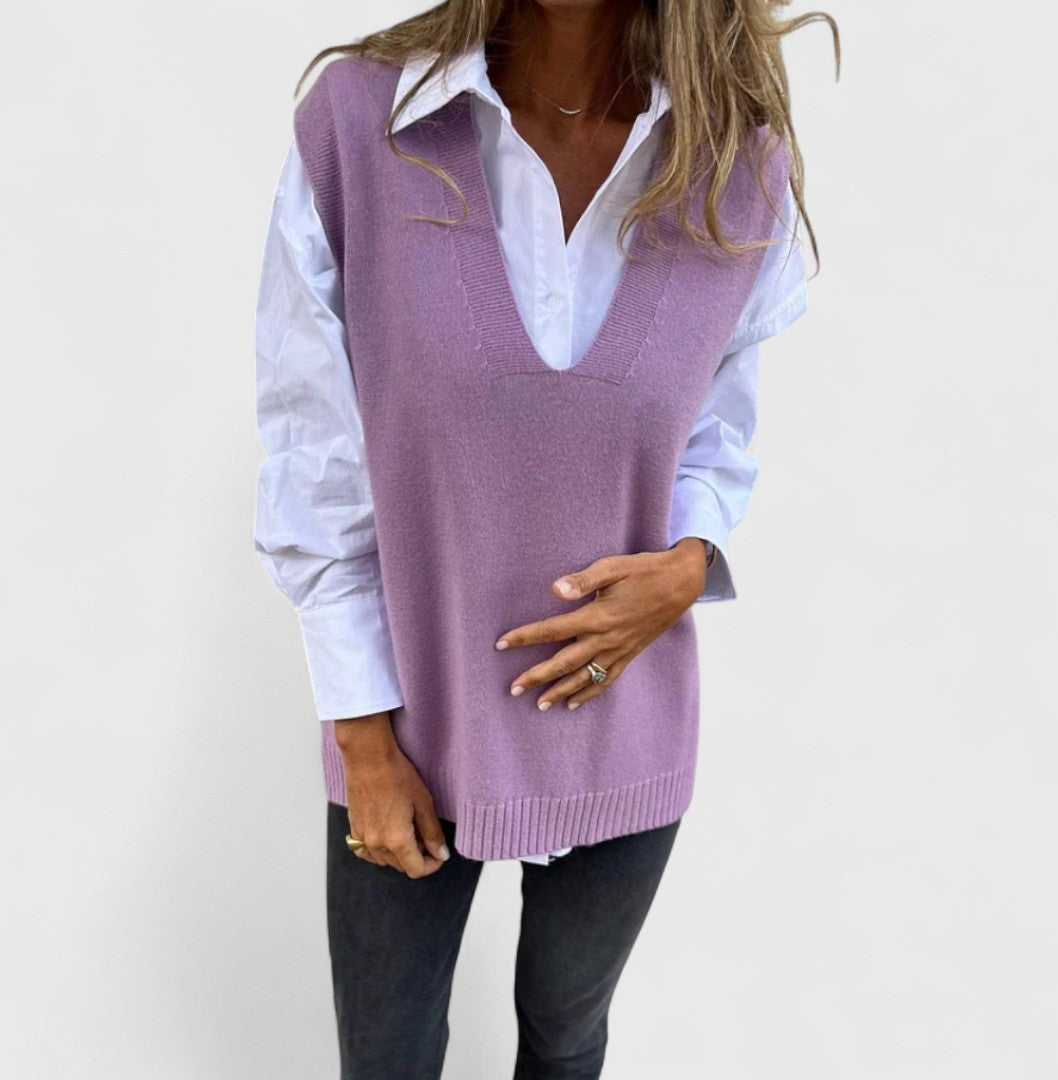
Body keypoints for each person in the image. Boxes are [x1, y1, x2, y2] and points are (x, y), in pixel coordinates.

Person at [254, 0, 836, 1075]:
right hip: (406, 727)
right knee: (386, 1061)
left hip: (629, 721)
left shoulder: (730, 165)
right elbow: (312, 459)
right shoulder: (363, 127)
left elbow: (715, 438)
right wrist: (364, 740)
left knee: (567, 1048)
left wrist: (689, 568)